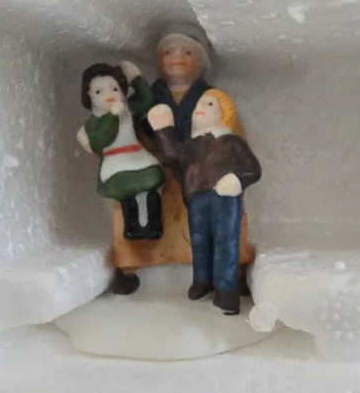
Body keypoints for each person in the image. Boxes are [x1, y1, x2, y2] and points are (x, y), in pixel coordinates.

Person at [149, 90, 261, 315]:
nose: (199, 109)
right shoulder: (191, 145)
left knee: (225, 241)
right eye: (198, 105)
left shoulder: (233, 142)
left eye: (209, 104)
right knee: (199, 241)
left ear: (224, 112)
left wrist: (237, 179)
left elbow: (253, 169)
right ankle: (202, 280)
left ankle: (226, 289)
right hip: (196, 199)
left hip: (224, 198)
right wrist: (163, 129)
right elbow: (172, 156)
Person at [77, 61, 164, 242]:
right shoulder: (93, 123)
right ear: (89, 95)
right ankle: (132, 226)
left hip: (137, 156)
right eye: (99, 92)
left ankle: (152, 225)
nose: (109, 95)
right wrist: (111, 116)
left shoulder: (128, 109)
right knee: (126, 188)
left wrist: (136, 79)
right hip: (115, 164)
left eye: (114, 89)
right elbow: (100, 141)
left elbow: (146, 100)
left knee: (152, 179)